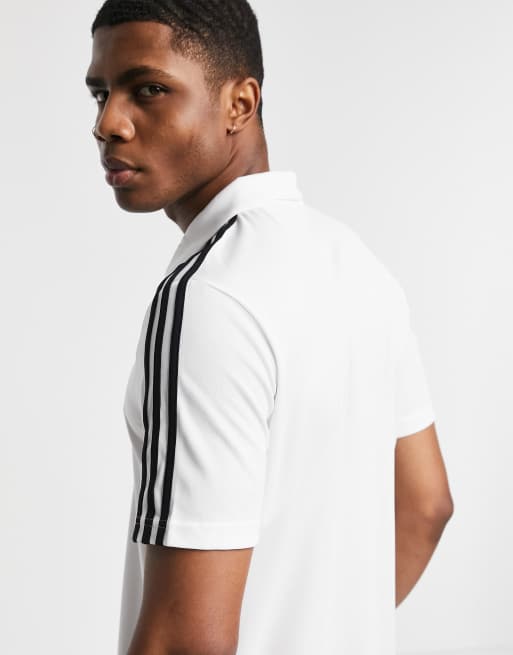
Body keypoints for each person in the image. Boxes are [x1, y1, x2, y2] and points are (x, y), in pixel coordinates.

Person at [85, 1, 454, 654]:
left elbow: (184, 639)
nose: (107, 123)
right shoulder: (356, 265)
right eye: (100, 93)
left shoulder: (206, 295)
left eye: (148, 90)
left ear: (240, 103)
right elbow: (425, 505)